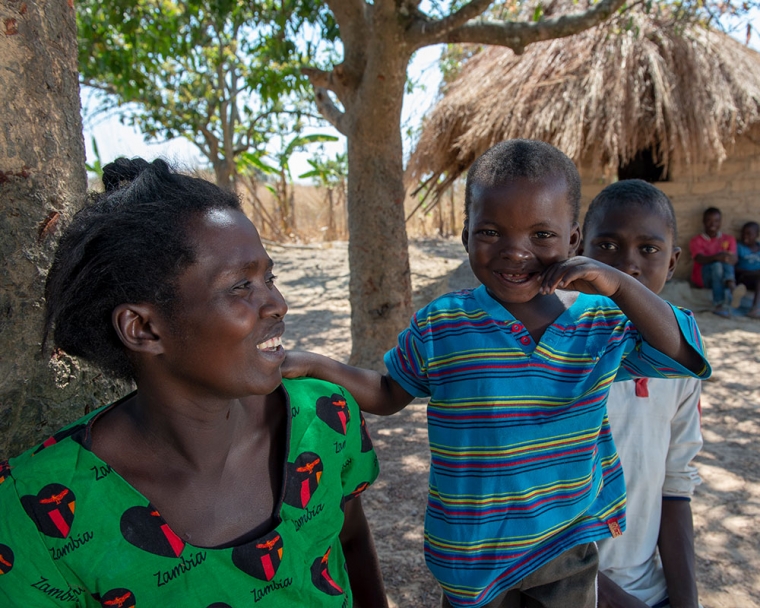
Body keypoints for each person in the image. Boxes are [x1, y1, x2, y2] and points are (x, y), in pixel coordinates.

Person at [284, 140, 710, 608]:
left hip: (565, 547)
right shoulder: (441, 325)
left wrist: (619, 285)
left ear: (573, 241)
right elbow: (387, 393)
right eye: (491, 232)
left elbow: (684, 354)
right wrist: (319, 365)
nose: (515, 251)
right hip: (471, 558)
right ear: (466, 236)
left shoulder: (600, 325)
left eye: (541, 235)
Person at [0, 158, 387, 607]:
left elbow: (350, 539)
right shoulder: (33, 511)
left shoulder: (325, 419)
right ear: (143, 328)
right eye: (241, 286)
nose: (277, 303)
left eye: (269, 278)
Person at [582, 180, 702, 608]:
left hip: (645, 586)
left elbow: (674, 487)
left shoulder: (682, 363)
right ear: (578, 249)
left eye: (648, 250)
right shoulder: (554, 354)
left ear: (672, 263)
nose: (625, 267)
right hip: (560, 588)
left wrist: (686, 601)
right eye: (608, 246)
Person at [688, 207, 745, 316]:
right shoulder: (696, 240)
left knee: (724, 261)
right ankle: (725, 297)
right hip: (704, 278)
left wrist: (723, 257)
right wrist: (717, 257)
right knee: (717, 265)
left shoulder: (728, 239)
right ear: (703, 221)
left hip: (722, 276)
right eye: (709, 220)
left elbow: (733, 260)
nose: (712, 224)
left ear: (720, 222)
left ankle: (730, 286)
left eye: (716, 220)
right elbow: (699, 258)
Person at [736, 221, 760, 319]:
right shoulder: (739, 247)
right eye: (743, 233)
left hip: (756, 278)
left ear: (757, 235)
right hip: (743, 276)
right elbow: (733, 267)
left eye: (749, 234)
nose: (745, 236)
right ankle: (755, 309)